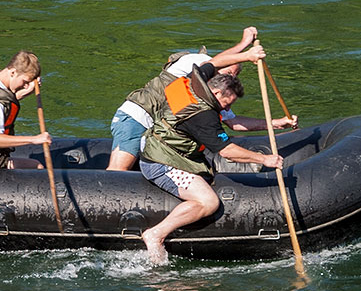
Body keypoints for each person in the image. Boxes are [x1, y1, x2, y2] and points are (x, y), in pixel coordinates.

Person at [139, 44, 284, 264]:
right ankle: (156, 234)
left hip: (173, 148)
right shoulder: (202, 116)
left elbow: (214, 63)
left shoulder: (194, 80)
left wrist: (248, 56)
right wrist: (264, 159)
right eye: (227, 103)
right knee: (208, 202)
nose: (227, 109)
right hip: (161, 162)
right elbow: (227, 152)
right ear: (215, 93)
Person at [106, 27, 296, 171]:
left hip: (158, 133)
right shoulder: (192, 62)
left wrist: (277, 123)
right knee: (118, 170)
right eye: (229, 71)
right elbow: (210, 63)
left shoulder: (214, 93)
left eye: (235, 76)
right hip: (138, 116)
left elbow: (234, 122)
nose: (231, 78)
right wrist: (245, 48)